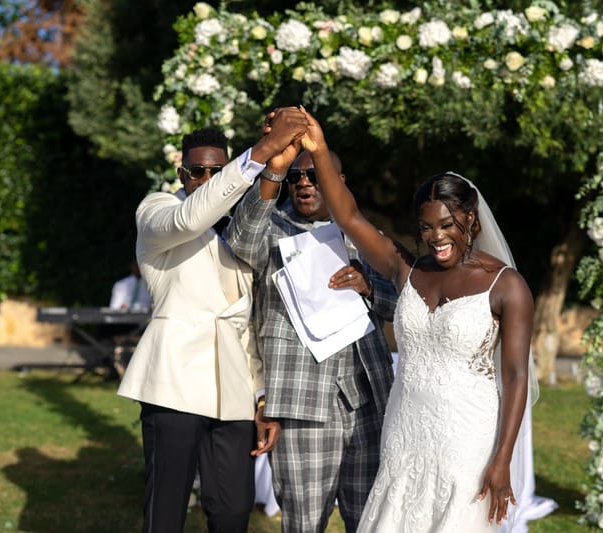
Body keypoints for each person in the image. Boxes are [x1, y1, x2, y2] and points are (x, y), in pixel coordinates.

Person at [297, 113, 541, 532]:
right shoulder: (405, 269)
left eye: (447, 225)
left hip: (467, 434)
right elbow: (350, 217)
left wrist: (502, 460)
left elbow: (517, 376)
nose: (436, 237)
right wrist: (319, 151)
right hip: (405, 427)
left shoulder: (507, 286)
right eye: (426, 228)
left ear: (470, 219)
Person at [117, 112, 307, 533]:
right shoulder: (158, 210)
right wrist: (258, 153)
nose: (206, 179)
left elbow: (245, 322)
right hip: (174, 383)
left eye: (216, 171)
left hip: (234, 391)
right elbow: (190, 218)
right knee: (165, 511)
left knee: (232, 511)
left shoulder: (243, 231)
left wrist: (260, 397)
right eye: (197, 171)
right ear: (180, 172)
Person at [226, 130, 397, 532]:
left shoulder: (366, 238)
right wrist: (275, 170)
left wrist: (369, 286)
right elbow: (239, 240)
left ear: (338, 181)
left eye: (315, 175)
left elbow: (402, 306)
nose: (305, 183)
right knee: (303, 524)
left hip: (367, 404)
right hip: (301, 406)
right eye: (297, 177)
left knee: (371, 520)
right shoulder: (270, 231)